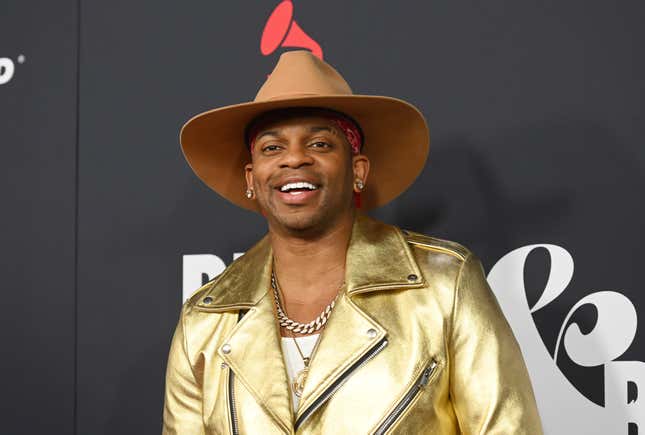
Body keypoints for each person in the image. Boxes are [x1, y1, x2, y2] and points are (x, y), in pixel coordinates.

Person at [163, 50, 543, 434]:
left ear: (357, 169)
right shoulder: (205, 319)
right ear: (251, 178)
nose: (293, 159)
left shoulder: (444, 285)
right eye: (272, 148)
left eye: (319, 144)